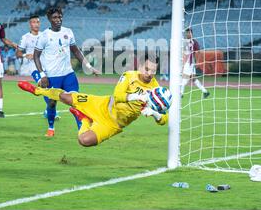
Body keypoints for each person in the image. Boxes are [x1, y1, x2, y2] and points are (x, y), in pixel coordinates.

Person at [18, 55, 168, 147]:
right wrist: (136, 97)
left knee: (84, 141)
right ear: (140, 66)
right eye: (147, 69)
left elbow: (164, 119)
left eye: (154, 71)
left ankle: (83, 120)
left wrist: (154, 114)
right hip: (102, 104)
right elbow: (117, 95)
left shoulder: (155, 90)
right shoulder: (129, 75)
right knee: (66, 97)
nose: (150, 73)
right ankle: (37, 91)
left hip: (113, 124)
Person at [33, 7, 100, 137]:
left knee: (76, 103)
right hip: (52, 77)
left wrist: (88, 66)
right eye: (55, 18)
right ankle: (51, 128)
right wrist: (42, 75)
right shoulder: (44, 36)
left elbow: (76, 51)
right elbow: (36, 56)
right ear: (49, 19)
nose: (58, 20)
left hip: (68, 75)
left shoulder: (68, 32)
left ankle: (82, 130)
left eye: (60, 17)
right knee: (52, 104)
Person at [181, 28, 210, 98]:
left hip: (189, 63)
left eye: (189, 33)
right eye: (187, 33)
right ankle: (205, 91)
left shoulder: (193, 42)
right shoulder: (184, 41)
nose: (187, 34)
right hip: (188, 63)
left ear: (191, 34)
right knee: (193, 79)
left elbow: (198, 52)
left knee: (184, 78)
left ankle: (180, 93)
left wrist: (197, 61)